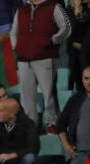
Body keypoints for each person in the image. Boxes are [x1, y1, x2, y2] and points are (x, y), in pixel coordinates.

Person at [11, 0, 72, 130]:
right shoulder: (21, 10)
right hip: (23, 59)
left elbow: (67, 27)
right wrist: (17, 47)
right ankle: (30, 126)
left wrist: (52, 41)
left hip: (46, 57)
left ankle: (53, 124)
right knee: (26, 96)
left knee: (48, 94)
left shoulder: (54, 6)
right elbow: (13, 31)